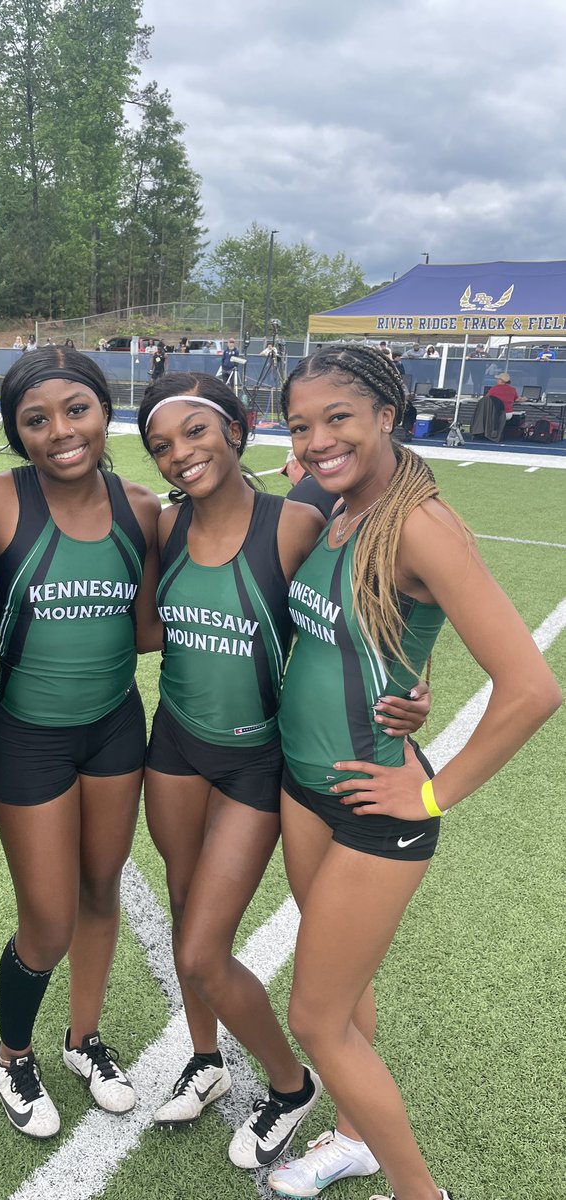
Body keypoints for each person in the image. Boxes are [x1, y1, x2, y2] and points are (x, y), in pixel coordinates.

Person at [266, 343, 560, 1200]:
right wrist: (410, 687)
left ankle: (419, 1192)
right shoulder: (339, 504)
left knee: (314, 1017)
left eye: (338, 419)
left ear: (388, 417)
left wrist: (431, 792)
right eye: (301, 427)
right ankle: (354, 1140)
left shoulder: (420, 526)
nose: (318, 441)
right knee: (344, 990)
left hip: (375, 805)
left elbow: (532, 689)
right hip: (305, 785)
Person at [136, 373, 430, 1173]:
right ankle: (206, 1059)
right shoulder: (164, 525)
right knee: (182, 905)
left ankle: (290, 1084)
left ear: (236, 430)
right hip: (175, 744)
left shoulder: (298, 523)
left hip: (257, 759)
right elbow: (146, 631)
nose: (180, 454)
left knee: (203, 949)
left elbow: (364, 620)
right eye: (161, 444)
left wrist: (411, 688)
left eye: (196, 432)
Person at [0, 347, 161, 1139]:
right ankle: (13, 1054)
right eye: (36, 420)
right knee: (46, 921)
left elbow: (150, 630)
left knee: (101, 889)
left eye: (76, 410)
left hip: (115, 728)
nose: (61, 432)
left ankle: (84, 1040)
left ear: (104, 410)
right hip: (27, 737)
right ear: (17, 433)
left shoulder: (141, 507)